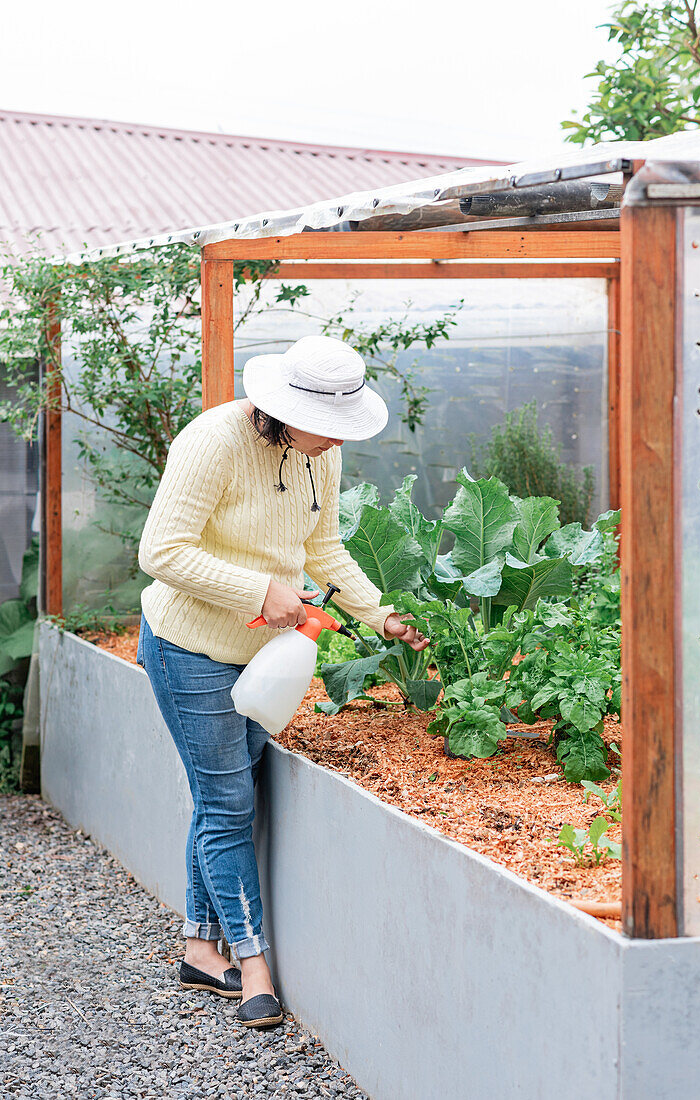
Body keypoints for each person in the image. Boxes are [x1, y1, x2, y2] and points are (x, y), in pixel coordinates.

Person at [136, 334, 428, 1029]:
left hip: (267, 658)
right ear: (281, 408)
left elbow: (323, 548)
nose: (337, 441)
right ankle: (253, 961)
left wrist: (381, 615)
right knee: (229, 801)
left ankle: (200, 949)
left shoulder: (316, 452)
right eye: (329, 427)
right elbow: (161, 551)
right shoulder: (212, 442)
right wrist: (256, 590)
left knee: (226, 795)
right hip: (191, 647)